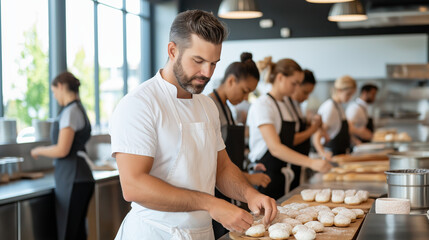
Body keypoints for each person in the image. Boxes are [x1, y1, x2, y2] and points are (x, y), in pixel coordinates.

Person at [109, 10, 277, 240]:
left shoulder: (207, 106)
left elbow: (222, 168)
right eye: (198, 61)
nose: (206, 73)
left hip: (201, 233)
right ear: (172, 50)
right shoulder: (139, 104)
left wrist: (250, 194)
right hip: (155, 233)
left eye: (214, 63)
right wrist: (211, 204)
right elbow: (133, 185)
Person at [247, 58, 332, 200]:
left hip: (284, 174)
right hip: (266, 175)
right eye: (294, 83)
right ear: (280, 78)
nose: (297, 88)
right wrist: (311, 162)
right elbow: (275, 148)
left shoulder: (286, 103)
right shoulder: (263, 104)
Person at [208, 52, 271, 239]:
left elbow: (227, 153)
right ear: (231, 81)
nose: (245, 98)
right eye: (244, 91)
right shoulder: (210, 106)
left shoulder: (227, 109)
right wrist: (248, 178)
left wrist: (248, 169)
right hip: (215, 194)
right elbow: (212, 163)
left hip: (230, 190)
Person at [31, 72, 94, 240]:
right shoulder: (78, 109)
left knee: (69, 233)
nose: (55, 96)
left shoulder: (71, 111)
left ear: (60, 86)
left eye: (54, 92)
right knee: (77, 232)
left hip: (74, 179)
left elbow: (62, 150)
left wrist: (38, 150)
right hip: (80, 178)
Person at [286, 69, 322, 189]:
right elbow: (291, 139)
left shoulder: (296, 105)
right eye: (305, 92)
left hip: (297, 164)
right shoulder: (281, 104)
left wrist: (310, 122)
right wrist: (313, 128)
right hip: (286, 165)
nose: (306, 98)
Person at [313, 75, 357, 157]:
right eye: (348, 94)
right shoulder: (330, 108)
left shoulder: (339, 106)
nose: (350, 98)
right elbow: (317, 136)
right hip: (333, 155)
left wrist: (354, 141)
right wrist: (323, 154)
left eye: (351, 95)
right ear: (339, 90)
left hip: (341, 153)